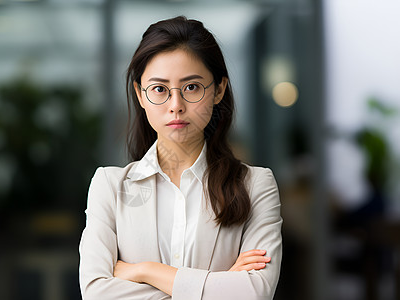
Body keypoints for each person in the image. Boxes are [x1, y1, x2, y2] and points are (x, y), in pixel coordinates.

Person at [79, 16, 282, 300]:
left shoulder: (255, 185)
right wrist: (219, 286)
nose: (176, 106)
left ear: (218, 90)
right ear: (140, 94)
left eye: (191, 87)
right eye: (159, 89)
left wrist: (144, 271)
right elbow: (95, 292)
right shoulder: (109, 186)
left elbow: (255, 293)